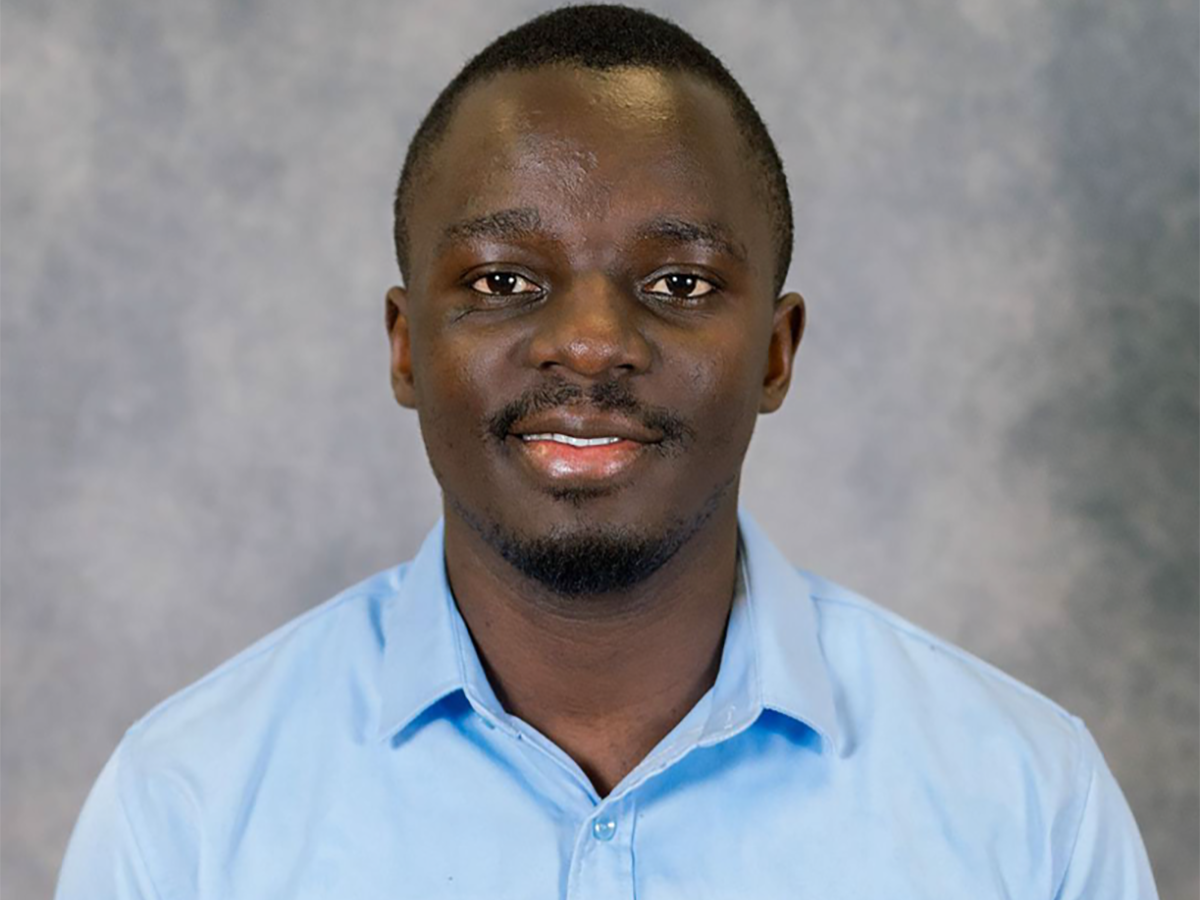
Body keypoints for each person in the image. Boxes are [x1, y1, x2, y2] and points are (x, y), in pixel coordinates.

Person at [56, 5, 1158, 898]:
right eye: (503, 280)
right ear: (405, 347)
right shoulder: (187, 809)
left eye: (678, 282)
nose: (589, 342)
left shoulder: (1026, 801)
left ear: (776, 356)